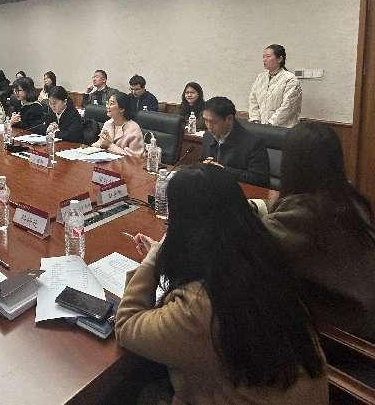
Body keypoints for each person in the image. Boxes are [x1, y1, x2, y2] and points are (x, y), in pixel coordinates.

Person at [115, 164, 327, 405]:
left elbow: (127, 324)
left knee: (135, 391)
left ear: (183, 230)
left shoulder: (198, 307)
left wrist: (155, 257)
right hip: (293, 389)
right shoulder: (264, 260)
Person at [249, 123, 375, 340]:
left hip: (346, 329)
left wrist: (236, 213)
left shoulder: (309, 213)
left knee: (251, 294)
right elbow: (285, 209)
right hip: (368, 306)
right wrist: (255, 206)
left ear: (292, 165)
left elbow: (255, 242)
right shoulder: (346, 197)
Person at [199, 97, 270, 187]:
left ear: (229, 119)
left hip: (240, 190)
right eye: (205, 120)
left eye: (213, 122)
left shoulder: (253, 143)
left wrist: (224, 171)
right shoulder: (208, 136)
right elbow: (202, 162)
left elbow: (259, 179)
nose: (209, 126)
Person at [248, 44, 302, 127]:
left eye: (268, 56)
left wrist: (270, 124)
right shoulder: (261, 77)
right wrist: (255, 120)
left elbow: (288, 106)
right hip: (260, 126)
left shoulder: (290, 79)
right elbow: (253, 100)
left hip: (283, 128)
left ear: (280, 59)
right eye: (263, 57)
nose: (264, 60)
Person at [93, 92, 145, 157]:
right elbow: (100, 142)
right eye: (107, 103)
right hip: (106, 160)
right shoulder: (108, 123)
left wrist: (110, 145)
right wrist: (89, 149)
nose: (107, 107)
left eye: (111, 104)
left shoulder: (133, 128)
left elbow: (135, 156)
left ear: (122, 109)